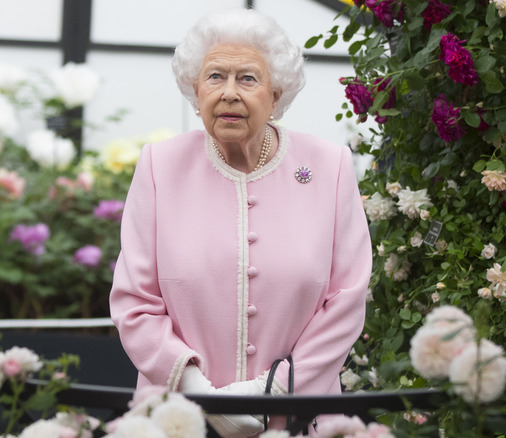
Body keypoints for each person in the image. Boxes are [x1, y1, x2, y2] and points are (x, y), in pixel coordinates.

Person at [109, 8, 372, 437]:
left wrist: (270, 392)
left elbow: (346, 301)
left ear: (277, 93)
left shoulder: (330, 167)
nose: (229, 93)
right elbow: (135, 302)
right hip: (180, 418)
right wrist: (200, 393)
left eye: (247, 78)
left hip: (300, 420)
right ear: (195, 92)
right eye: (215, 77)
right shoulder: (159, 166)